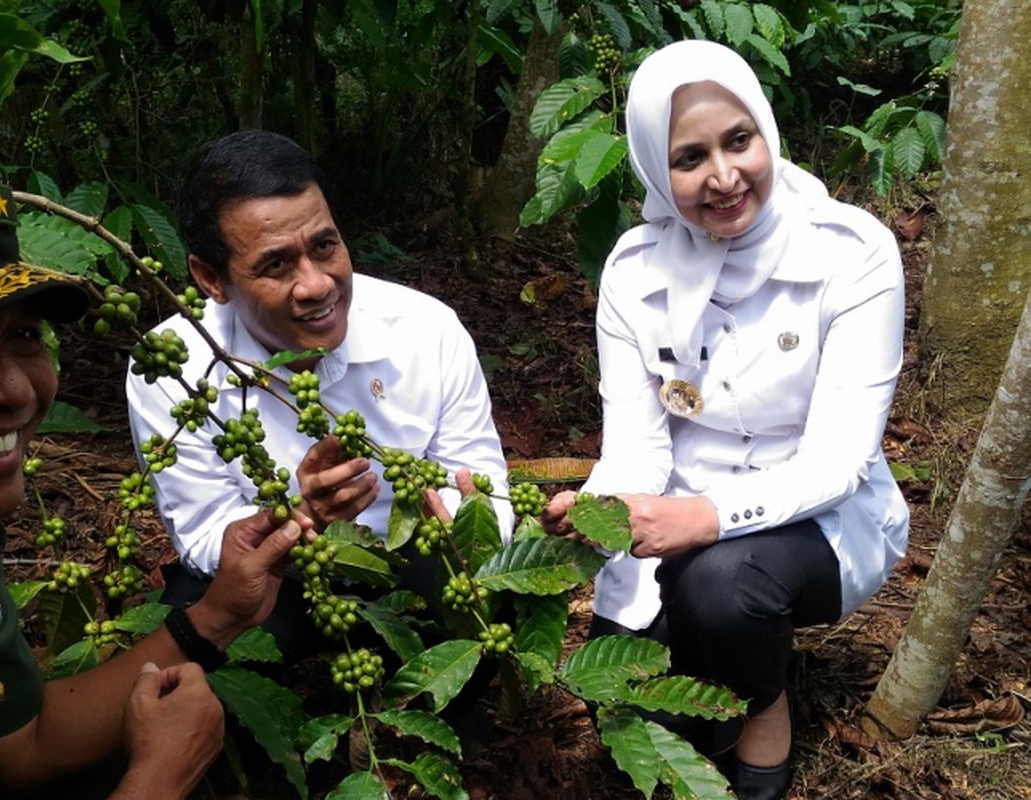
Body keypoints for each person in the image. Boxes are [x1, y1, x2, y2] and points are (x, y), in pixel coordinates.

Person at [0, 170, 307, 797]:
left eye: (23, 336)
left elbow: (22, 744)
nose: (12, 390)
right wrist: (160, 778)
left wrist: (219, 614)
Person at [543, 40, 909, 800]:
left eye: (738, 141)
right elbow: (637, 445)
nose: (722, 175)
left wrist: (706, 517)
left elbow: (839, 461)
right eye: (689, 156)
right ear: (653, 166)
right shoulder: (634, 270)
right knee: (624, 709)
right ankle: (733, 670)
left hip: (822, 517)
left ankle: (768, 703)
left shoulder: (853, 253)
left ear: (766, 132)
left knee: (722, 588)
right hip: (682, 502)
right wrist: (606, 513)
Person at [125, 131, 512, 628]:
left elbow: (476, 475)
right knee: (194, 638)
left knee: (479, 620)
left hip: (412, 558)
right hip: (276, 576)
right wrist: (299, 519)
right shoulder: (174, 369)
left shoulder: (426, 330)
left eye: (324, 246)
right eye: (276, 264)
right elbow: (204, 539)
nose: (316, 284)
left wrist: (466, 530)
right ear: (211, 280)